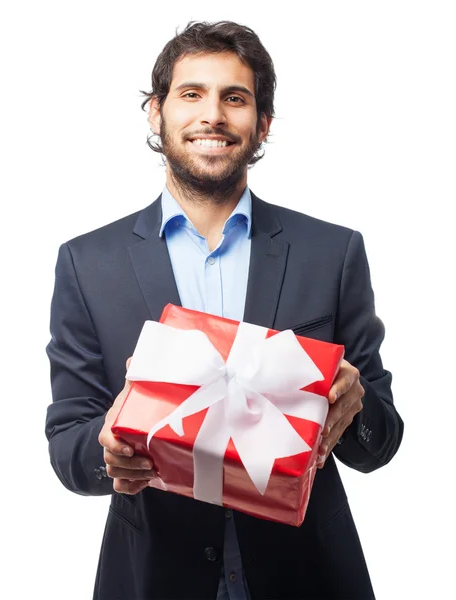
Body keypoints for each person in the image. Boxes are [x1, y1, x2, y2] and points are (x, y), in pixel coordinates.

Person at [45, 20, 404, 600]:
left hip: (308, 575)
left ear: (262, 123)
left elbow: (381, 438)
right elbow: (67, 441)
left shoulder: (331, 253)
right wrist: (105, 448)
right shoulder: (89, 264)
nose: (212, 115)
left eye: (234, 98)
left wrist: (354, 411)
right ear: (155, 112)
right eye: (192, 94)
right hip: (153, 576)